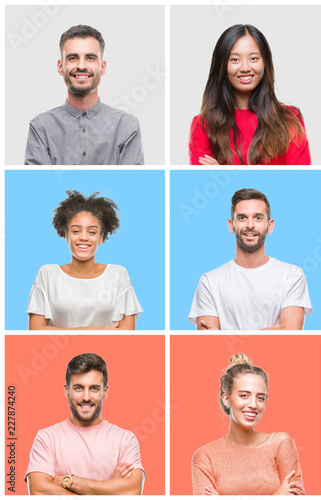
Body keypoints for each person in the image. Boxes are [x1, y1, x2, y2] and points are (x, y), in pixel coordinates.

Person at [188, 188, 312, 330]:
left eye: (258, 218)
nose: (250, 225)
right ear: (231, 225)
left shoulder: (292, 275)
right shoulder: (209, 282)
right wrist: (276, 329)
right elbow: (208, 345)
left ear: (269, 226)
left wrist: (227, 336)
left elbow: (290, 334)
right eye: (242, 218)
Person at [189, 24, 311, 165]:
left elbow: (300, 182)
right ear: (221, 65)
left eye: (253, 58)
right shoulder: (203, 125)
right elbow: (205, 184)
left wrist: (222, 171)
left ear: (265, 62)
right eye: (235, 59)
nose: (245, 68)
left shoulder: (290, 119)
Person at [25, 353, 145, 495]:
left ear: (105, 391)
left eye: (94, 388)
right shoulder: (47, 438)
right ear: (66, 390)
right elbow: (39, 491)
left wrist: (68, 481)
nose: (86, 397)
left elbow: (133, 491)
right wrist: (109, 490)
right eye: (78, 388)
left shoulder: (125, 439)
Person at [25, 25, 144, 165]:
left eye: (90, 58)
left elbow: (131, 185)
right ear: (60, 67)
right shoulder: (41, 128)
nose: (81, 66)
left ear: (103, 67)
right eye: (73, 58)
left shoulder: (127, 126)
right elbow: (38, 185)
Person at [192, 353, 305, 495]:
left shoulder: (280, 443)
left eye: (260, 398)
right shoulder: (205, 457)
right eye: (244, 395)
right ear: (227, 399)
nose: (253, 404)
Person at [27, 190, 142, 329]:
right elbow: (36, 330)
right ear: (66, 235)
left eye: (92, 232)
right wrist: (99, 330)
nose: (83, 237)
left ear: (100, 238)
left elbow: (126, 334)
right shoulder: (47, 274)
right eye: (76, 231)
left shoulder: (118, 274)